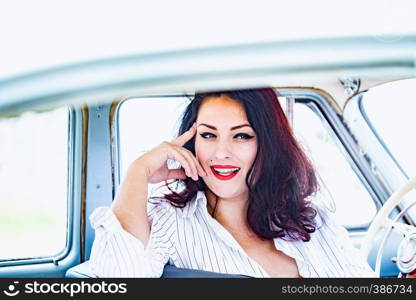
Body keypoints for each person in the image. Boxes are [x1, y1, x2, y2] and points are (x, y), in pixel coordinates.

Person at [88, 88, 376, 278]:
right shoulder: (168, 221)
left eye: (241, 136)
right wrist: (137, 173)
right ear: (192, 142)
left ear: (268, 146)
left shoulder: (316, 221)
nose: (221, 152)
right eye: (209, 135)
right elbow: (116, 279)